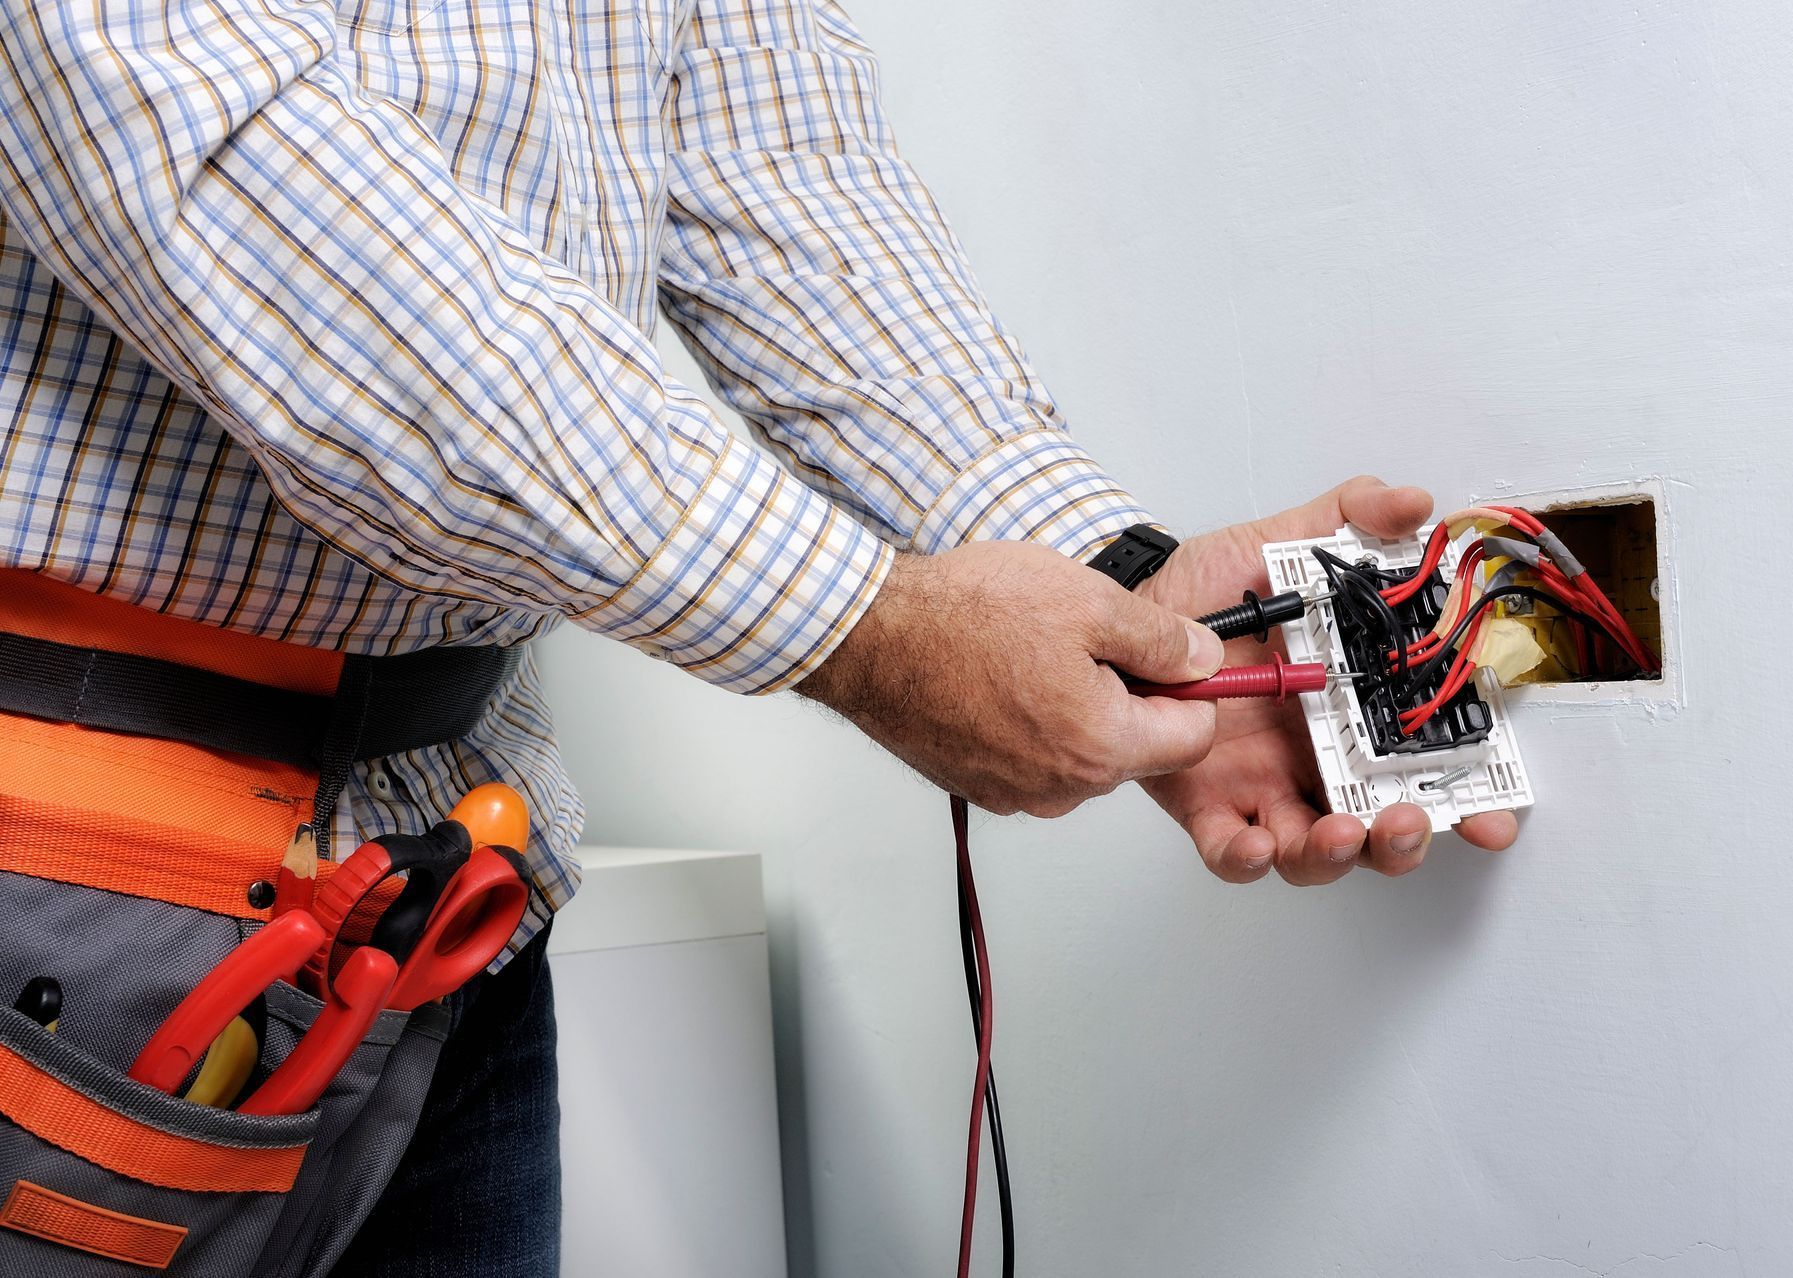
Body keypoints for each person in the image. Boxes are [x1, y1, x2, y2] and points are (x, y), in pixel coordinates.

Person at [0, 0, 1516, 1272]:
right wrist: (860, 625)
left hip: (447, 896)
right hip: (68, 874)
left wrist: (1123, 582)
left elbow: (784, 174)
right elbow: (223, 176)